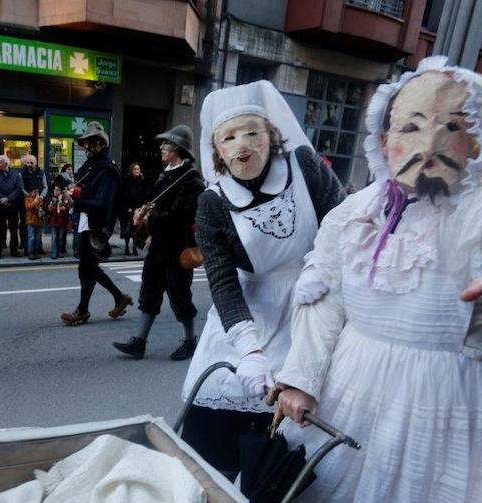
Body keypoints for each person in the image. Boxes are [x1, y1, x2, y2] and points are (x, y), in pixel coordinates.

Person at [250, 58, 482, 503]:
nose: (431, 140)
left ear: (481, 140)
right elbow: (323, 300)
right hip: (349, 387)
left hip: (441, 406)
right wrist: (301, 376)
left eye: (454, 126)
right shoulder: (355, 212)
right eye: (412, 125)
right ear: (385, 135)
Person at [178, 80, 345, 474]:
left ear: (271, 135)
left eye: (253, 132)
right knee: (211, 445)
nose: (243, 145)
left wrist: (323, 264)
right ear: (216, 149)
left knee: (285, 443)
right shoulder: (212, 202)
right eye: (229, 137)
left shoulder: (305, 168)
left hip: (312, 306)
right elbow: (222, 280)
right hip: (245, 315)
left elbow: (346, 224)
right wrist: (249, 351)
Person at [113, 126, 204, 360]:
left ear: (179, 149)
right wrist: (142, 211)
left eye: (168, 144)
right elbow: (154, 201)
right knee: (149, 290)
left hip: (178, 247)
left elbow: (182, 216)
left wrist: (151, 218)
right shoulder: (166, 173)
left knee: (180, 294)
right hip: (158, 246)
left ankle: (190, 341)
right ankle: (139, 341)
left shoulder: (192, 179)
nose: (162, 148)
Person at [60, 122, 133, 326]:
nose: (87, 147)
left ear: (102, 144)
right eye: (85, 143)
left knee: (86, 268)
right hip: (86, 220)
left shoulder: (107, 169)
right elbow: (85, 191)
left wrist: (76, 200)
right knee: (89, 268)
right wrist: (71, 193)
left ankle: (83, 310)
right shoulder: (90, 167)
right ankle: (119, 297)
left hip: (97, 225)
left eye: (92, 143)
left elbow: (102, 203)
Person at [0, 155, 23, 259]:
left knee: (13, 230)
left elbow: (18, 188)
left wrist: (8, 199)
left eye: (0, 162)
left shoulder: (15, 174)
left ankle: (14, 249)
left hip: (12, 206)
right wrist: (1, 198)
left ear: (6, 163)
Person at [20, 154, 48, 259]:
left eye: (31, 163)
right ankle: (29, 251)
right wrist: (30, 197)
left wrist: (41, 197)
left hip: (40, 201)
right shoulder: (21, 173)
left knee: (38, 232)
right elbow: (21, 187)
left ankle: (38, 249)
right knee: (30, 232)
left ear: (36, 163)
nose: (29, 165)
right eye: (28, 162)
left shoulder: (41, 173)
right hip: (28, 201)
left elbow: (45, 187)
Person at [120, 163, 147, 256]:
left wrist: (142, 207)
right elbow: (124, 195)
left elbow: (144, 195)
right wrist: (128, 207)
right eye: (135, 169)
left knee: (136, 229)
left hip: (138, 208)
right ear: (131, 170)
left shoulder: (142, 181)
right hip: (129, 209)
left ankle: (135, 247)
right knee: (128, 228)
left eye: (138, 169)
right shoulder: (127, 181)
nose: (137, 171)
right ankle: (127, 247)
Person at [46, 179, 72, 259]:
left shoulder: (65, 199)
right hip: (54, 221)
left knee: (60, 238)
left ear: (61, 191)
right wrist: (50, 207)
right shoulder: (51, 199)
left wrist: (63, 206)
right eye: (54, 189)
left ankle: (59, 252)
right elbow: (47, 210)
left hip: (62, 221)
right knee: (54, 238)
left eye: (57, 190)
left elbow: (68, 208)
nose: (55, 191)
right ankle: (54, 253)